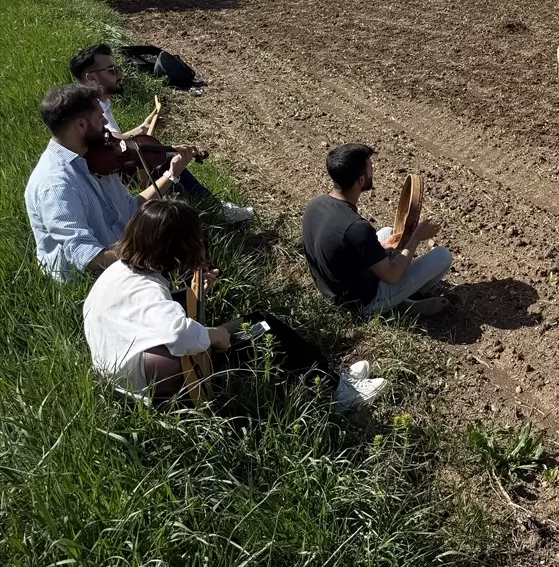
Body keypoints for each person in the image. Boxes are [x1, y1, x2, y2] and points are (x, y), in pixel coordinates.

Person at [83, 199, 386, 408]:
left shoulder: (119, 272)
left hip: (129, 377)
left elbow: (148, 316)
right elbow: (177, 333)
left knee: (254, 323)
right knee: (266, 326)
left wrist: (192, 296)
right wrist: (214, 334)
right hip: (164, 384)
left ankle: (327, 379)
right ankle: (337, 392)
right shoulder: (146, 290)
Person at [24, 83, 197, 281]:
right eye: (99, 117)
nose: (105, 121)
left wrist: (172, 174)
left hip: (122, 255)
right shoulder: (56, 185)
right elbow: (88, 256)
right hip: (95, 280)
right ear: (81, 125)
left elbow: (131, 208)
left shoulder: (96, 158)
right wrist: (147, 258)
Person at [69, 44, 253, 223]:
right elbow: (111, 141)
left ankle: (197, 212)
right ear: (91, 78)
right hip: (104, 174)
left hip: (109, 167)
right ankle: (211, 211)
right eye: (112, 70)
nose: (119, 74)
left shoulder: (100, 103)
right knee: (164, 159)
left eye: (117, 68)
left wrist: (144, 127)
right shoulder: (90, 109)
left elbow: (112, 138)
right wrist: (154, 143)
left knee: (163, 162)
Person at [303, 143, 452, 318]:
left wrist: (382, 249)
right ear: (360, 180)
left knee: (388, 232)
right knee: (442, 256)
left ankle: (398, 296)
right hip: (362, 304)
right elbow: (392, 276)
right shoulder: (357, 228)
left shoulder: (315, 204)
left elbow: (343, 248)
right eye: (370, 168)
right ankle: (400, 301)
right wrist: (416, 237)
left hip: (334, 290)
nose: (372, 171)